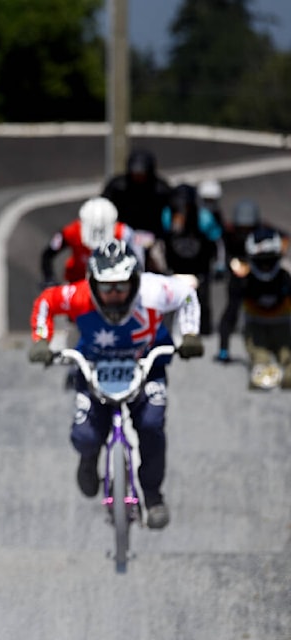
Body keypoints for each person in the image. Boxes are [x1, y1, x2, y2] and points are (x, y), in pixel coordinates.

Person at [27, 239, 204, 529]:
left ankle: (153, 496)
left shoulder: (153, 290)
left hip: (146, 367)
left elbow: (186, 295)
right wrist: (41, 340)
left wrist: (190, 335)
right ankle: (89, 457)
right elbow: (46, 301)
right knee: (85, 435)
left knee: (151, 425)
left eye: (121, 287)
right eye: (106, 287)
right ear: (92, 283)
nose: (113, 295)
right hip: (94, 368)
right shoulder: (79, 296)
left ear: (135, 281)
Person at [216, 227, 291, 388]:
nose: (265, 267)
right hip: (256, 329)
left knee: (288, 358)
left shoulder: (285, 277)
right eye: (261, 262)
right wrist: (224, 348)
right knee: (260, 364)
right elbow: (231, 313)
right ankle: (261, 367)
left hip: (284, 327)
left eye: (269, 261)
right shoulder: (243, 281)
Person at [157, 183, 225, 335]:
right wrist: (162, 265)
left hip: (199, 268)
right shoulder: (168, 215)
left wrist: (220, 263)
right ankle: (165, 332)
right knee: (169, 301)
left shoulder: (204, 218)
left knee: (201, 301)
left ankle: (204, 332)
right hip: (175, 268)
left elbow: (217, 241)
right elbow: (161, 242)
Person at [40, 196, 148, 288]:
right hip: (76, 284)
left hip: (110, 288)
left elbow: (140, 263)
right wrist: (49, 278)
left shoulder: (125, 234)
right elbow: (48, 253)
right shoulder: (71, 231)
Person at [101, 148, 173, 238]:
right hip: (122, 233)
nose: (138, 177)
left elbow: (173, 213)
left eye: (142, 174)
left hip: (154, 234)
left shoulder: (161, 190)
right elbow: (102, 207)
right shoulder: (117, 187)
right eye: (135, 173)